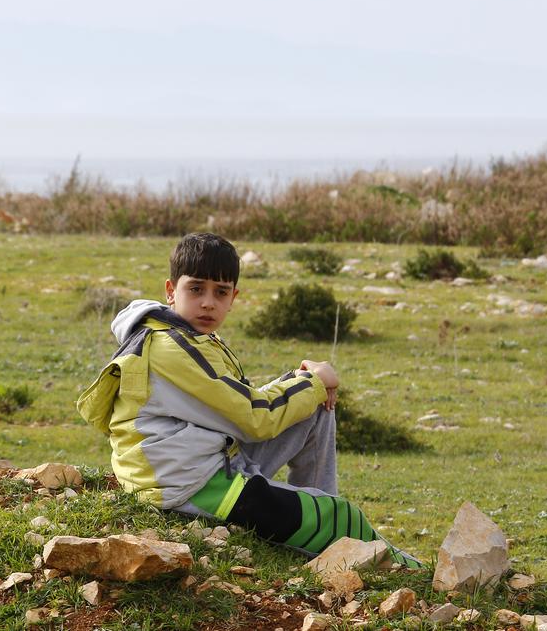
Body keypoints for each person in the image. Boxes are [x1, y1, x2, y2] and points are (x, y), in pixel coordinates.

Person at [77, 232, 418, 566]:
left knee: (309, 405)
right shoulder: (171, 349)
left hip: (206, 456)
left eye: (220, 292)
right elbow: (253, 418)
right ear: (171, 290)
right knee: (343, 517)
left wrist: (304, 383)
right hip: (186, 486)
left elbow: (244, 405)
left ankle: (314, 512)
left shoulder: (190, 336)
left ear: (233, 297)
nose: (208, 301)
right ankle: (407, 569)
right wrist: (315, 382)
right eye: (196, 289)